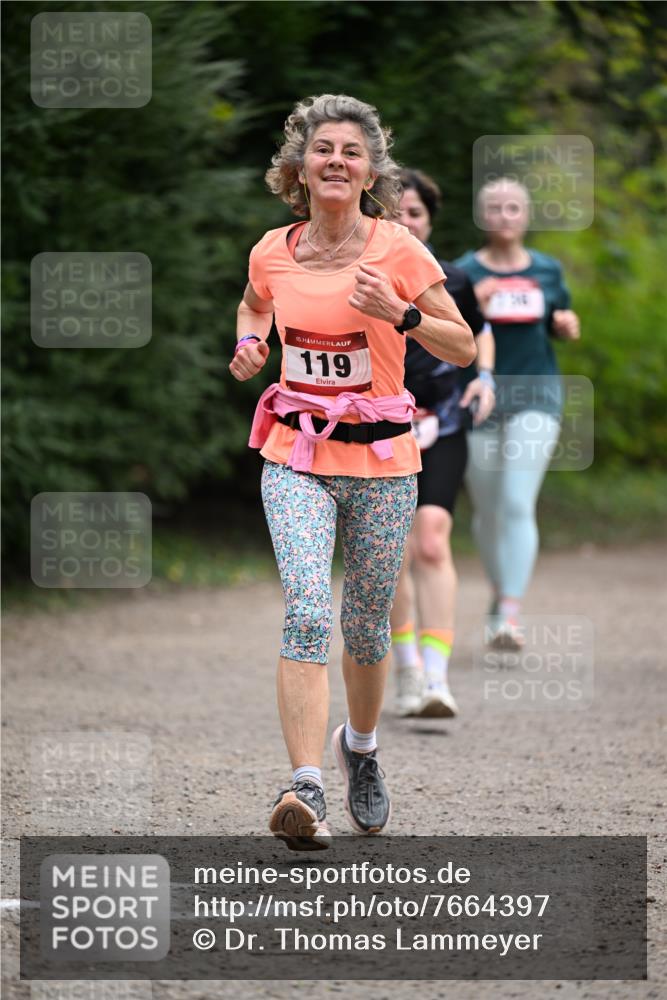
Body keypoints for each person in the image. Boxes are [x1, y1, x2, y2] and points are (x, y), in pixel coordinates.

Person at [229, 94, 476, 850]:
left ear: (370, 172)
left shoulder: (399, 249)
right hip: (294, 454)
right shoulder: (272, 248)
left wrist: (401, 314)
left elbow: (460, 346)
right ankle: (303, 784)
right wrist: (250, 345)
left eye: (351, 152)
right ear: (298, 166)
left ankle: (359, 750)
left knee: (366, 625)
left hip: (380, 460)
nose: (336, 161)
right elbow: (252, 306)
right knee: (306, 609)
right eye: (322, 148)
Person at [456, 177, 581, 649]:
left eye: (513, 208)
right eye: (495, 208)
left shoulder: (548, 270)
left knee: (515, 502)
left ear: (525, 216)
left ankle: (510, 611)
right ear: (482, 216)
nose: (504, 216)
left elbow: (560, 322)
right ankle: (498, 592)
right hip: (479, 397)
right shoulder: (464, 272)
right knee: (487, 513)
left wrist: (566, 326)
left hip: (536, 395)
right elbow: (447, 338)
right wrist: (474, 308)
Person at [389, 169, 496, 718]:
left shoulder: (453, 279)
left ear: (428, 221)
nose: (404, 221)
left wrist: (486, 377)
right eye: (394, 212)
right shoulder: (363, 275)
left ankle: (436, 679)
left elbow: (478, 332)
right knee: (395, 552)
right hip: (381, 428)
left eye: (414, 214)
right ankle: (404, 669)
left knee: (432, 540)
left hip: (444, 423)